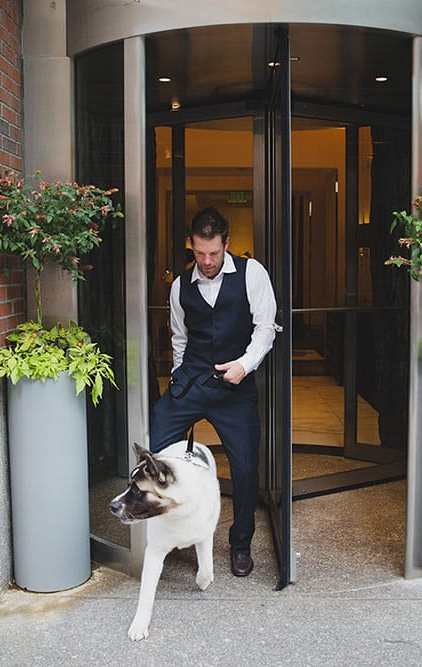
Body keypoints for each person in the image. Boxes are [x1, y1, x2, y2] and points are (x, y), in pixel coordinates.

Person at [149, 207, 277, 577]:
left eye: (214, 253)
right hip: (191, 382)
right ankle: (171, 532)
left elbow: (265, 328)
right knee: (155, 450)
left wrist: (245, 365)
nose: (207, 261)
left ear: (227, 244)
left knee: (245, 468)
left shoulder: (252, 274)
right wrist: (178, 377)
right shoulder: (180, 286)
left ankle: (240, 544)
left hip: (235, 387)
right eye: (200, 253)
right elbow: (180, 337)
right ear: (191, 245)